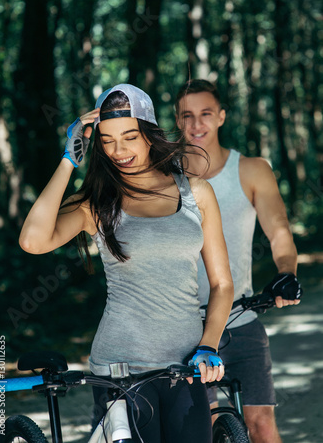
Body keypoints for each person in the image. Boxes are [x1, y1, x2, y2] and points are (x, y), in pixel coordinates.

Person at [19, 83, 234, 443]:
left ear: (149, 134)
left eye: (130, 136)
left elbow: (222, 284)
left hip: (185, 364)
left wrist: (208, 346)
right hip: (120, 368)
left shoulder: (194, 191)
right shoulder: (96, 203)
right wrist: (69, 159)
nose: (119, 150)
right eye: (107, 139)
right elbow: (33, 240)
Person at [175, 79, 302, 443]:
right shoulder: (165, 176)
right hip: (183, 327)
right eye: (187, 116)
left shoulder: (251, 170)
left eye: (205, 114)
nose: (196, 125)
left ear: (221, 117)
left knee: (261, 425)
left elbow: (279, 232)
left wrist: (286, 273)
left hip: (241, 318)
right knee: (205, 428)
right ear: (177, 120)